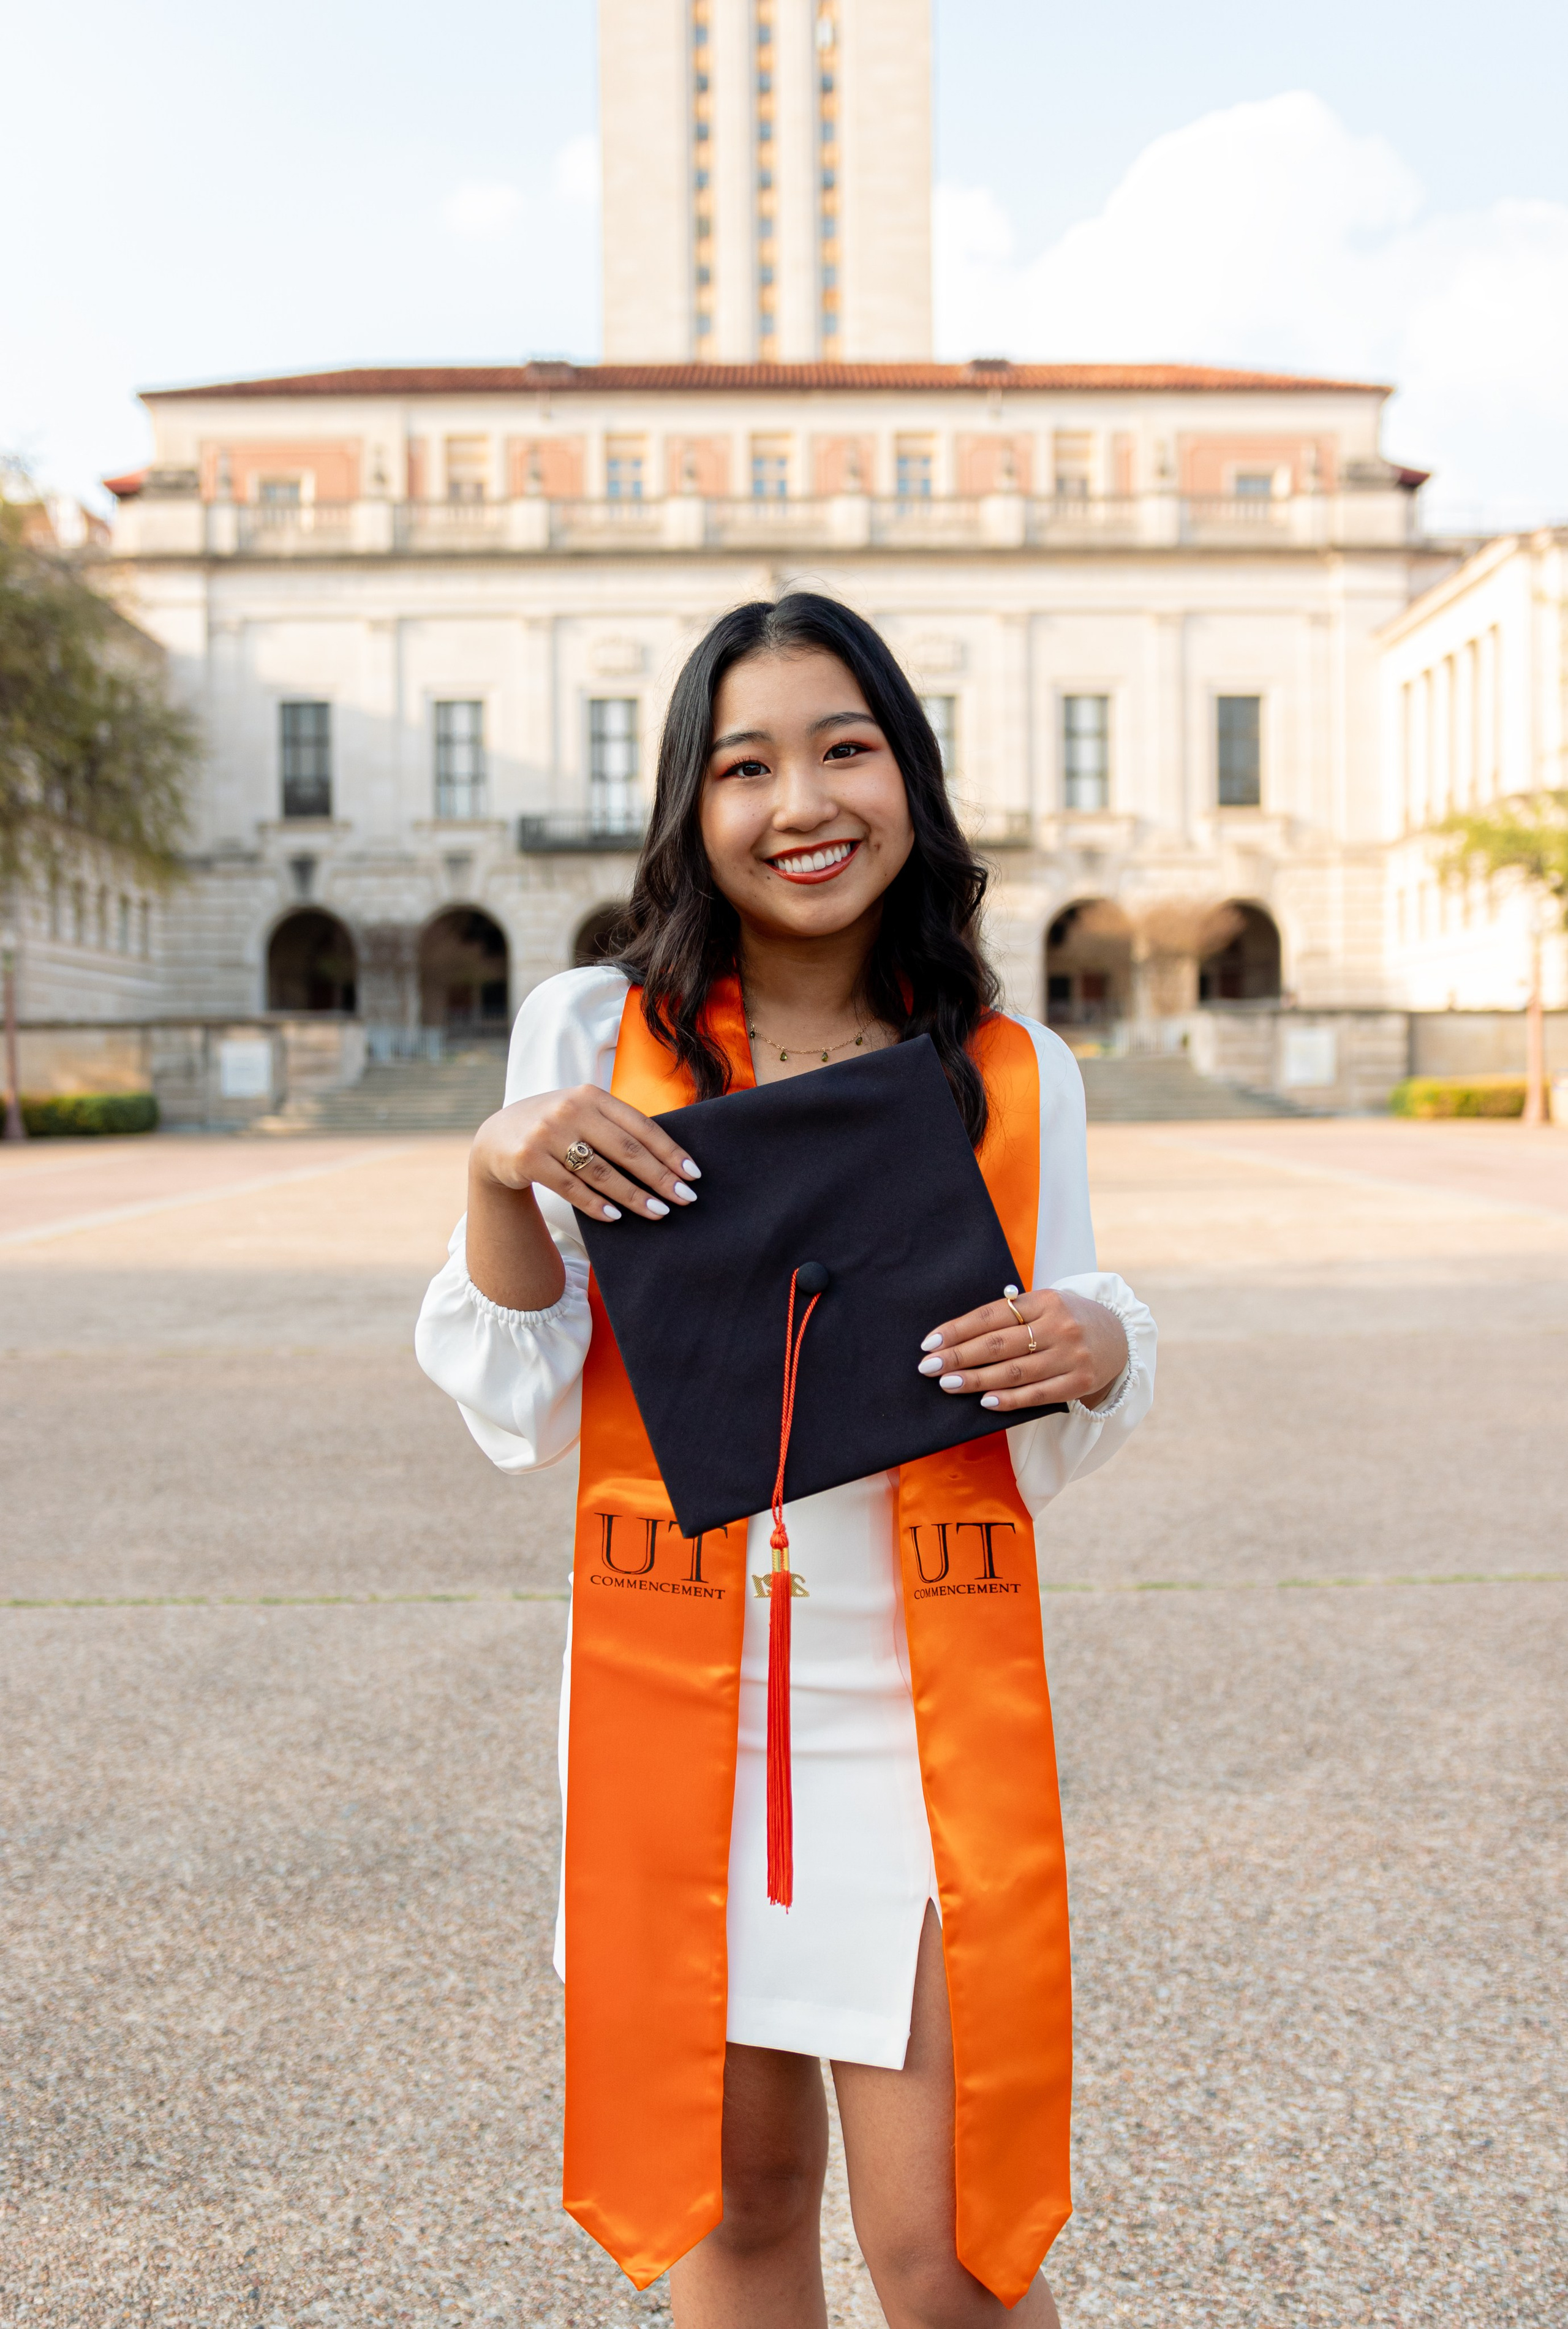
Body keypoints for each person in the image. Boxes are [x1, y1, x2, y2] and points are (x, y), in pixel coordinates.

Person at [417, 593, 1156, 2328]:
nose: (801, 801)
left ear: (910, 773)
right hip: (686, 1702)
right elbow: (522, 1386)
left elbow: (1068, 1329)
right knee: (737, 2213)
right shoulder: (595, 1032)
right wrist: (492, 1173)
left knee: (953, 2252)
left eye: (846, 746)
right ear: (690, 800)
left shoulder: (1004, 1065)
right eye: (746, 763)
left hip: (910, 1707)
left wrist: (1100, 1345)